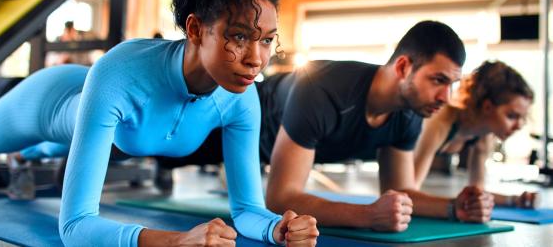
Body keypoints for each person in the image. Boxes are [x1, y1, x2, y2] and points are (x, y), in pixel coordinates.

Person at [0, 0, 318, 247]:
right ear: (195, 28)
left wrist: (277, 228)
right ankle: (21, 147)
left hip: (112, 128)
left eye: (267, 39)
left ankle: (27, 155)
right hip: (50, 100)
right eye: (239, 37)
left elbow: (246, 211)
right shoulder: (122, 73)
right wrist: (176, 241)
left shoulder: (240, 99)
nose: (256, 59)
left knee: (65, 146)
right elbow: (75, 225)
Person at [153, 20, 494, 231]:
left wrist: (454, 207)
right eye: (438, 80)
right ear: (404, 67)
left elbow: (401, 192)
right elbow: (280, 198)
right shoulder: (325, 87)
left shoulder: (408, 112)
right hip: (224, 121)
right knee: (146, 146)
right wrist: (366, 216)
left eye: (452, 84)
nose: (445, 96)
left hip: (256, 149)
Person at [414, 60, 536, 208]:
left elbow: (478, 193)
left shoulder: (484, 136)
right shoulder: (441, 122)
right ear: (487, 107)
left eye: (522, 117)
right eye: (511, 116)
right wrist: (456, 208)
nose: (519, 125)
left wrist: (516, 200)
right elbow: (408, 191)